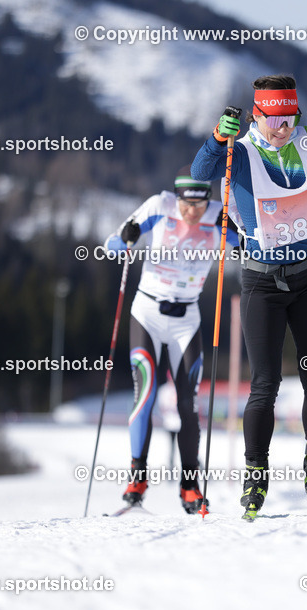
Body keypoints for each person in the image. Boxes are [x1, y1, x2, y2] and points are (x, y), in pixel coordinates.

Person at [191, 74, 307, 518]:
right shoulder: (242, 150)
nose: (284, 127)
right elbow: (198, 174)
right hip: (260, 282)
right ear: (259, 115)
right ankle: (256, 473)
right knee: (265, 384)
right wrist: (218, 138)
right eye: (275, 119)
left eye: (290, 117)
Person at [103, 166, 237, 512]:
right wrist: (127, 235)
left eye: (200, 204)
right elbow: (112, 245)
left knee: (187, 404)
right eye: (186, 205)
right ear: (176, 198)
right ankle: (138, 475)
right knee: (144, 394)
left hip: (186, 318)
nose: (192, 213)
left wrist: (234, 232)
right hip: (147, 312)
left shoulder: (217, 214)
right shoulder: (157, 207)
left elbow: (244, 243)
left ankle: (190, 486)